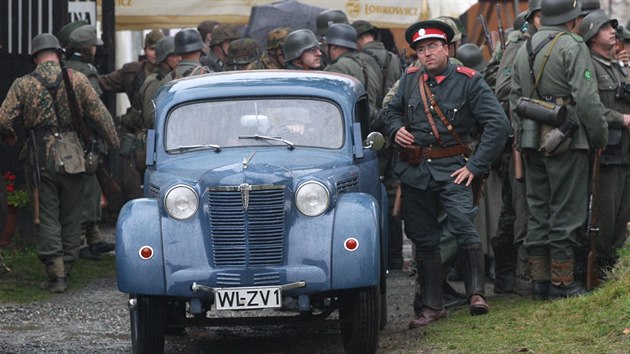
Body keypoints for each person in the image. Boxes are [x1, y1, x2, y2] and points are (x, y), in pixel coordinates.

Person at [387, 20, 511, 327]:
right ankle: (432, 306)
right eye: (420, 49)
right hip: (416, 172)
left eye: (432, 47)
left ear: (447, 48)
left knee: (463, 226)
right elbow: (389, 111)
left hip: (455, 169)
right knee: (423, 238)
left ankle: (476, 295)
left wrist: (475, 166)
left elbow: (499, 126)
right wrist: (395, 130)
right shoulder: (410, 78)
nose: (426, 54)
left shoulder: (469, 80)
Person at [0, 33, 119, 292]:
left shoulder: (24, 84)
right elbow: (102, 116)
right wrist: (114, 145)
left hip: (40, 158)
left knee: (46, 216)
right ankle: (68, 263)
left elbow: (3, 119)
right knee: (72, 215)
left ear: (35, 56)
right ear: (59, 52)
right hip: (74, 155)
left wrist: (8, 133)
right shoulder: (78, 79)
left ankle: (56, 274)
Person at [509, 0, 608, 299]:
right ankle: (562, 283)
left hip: (530, 137)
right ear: (572, 20)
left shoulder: (525, 47)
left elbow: (514, 98)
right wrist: (598, 136)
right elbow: (587, 99)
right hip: (568, 138)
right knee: (567, 209)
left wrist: (523, 136)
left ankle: (539, 281)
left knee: (538, 209)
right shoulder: (573, 45)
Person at [489, 0, 542, 296]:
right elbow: (504, 88)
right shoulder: (518, 45)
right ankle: (509, 272)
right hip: (515, 139)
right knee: (515, 207)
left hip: (534, 137)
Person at [580, 10, 630, 280]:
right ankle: (597, 271)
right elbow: (590, 107)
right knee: (605, 216)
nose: (613, 30)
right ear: (591, 36)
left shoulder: (616, 65)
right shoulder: (589, 65)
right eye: (605, 27)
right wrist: (620, 118)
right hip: (606, 151)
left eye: (613, 26)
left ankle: (614, 270)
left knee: (623, 213)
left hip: (624, 151)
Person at [99, 29, 164, 213]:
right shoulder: (132, 72)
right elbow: (102, 83)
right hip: (135, 136)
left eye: (159, 48)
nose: (155, 53)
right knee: (130, 186)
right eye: (151, 48)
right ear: (145, 49)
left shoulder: (171, 72)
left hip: (159, 136)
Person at [66, 25, 116, 261]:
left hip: (69, 138)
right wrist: (105, 137)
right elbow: (95, 110)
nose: (96, 49)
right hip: (85, 138)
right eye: (93, 45)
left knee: (90, 188)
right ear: (87, 48)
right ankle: (79, 245)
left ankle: (93, 238)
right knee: (87, 189)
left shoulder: (64, 68)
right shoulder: (86, 72)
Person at [324, 23, 383, 109]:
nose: (325, 50)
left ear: (334, 46)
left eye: (327, 46)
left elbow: (329, 103)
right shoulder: (367, 65)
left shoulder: (338, 67)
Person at [140, 36, 180, 129]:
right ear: (163, 59)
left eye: (179, 54)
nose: (179, 59)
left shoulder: (171, 77)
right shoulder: (154, 82)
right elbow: (152, 119)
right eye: (173, 55)